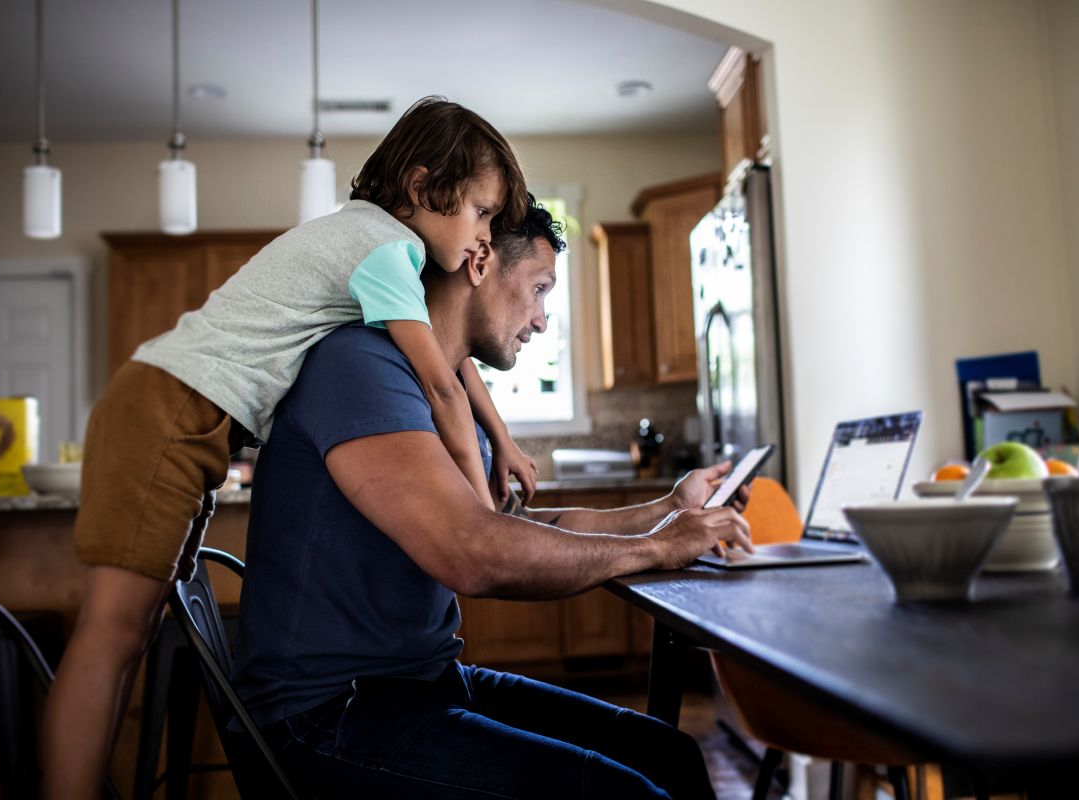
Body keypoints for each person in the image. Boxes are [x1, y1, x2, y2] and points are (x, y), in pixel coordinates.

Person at [42, 97, 539, 798]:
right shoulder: (383, 250)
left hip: (182, 414)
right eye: (482, 213)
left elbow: (450, 361)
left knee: (133, 634)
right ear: (426, 189)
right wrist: (481, 507)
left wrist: (504, 441)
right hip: (166, 410)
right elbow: (440, 384)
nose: (485, 236)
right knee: (112, 636)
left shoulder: (373, 245)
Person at [231, 199, 754, 799]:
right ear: (479, 264)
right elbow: (475, 551)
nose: (541, 320)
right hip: (324, 716)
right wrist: (656, 549)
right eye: (538, 289)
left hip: (419, 684)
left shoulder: (447, 385)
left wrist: (666, 511)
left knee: (670, 756)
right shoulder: (360, 366)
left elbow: (517, 525)